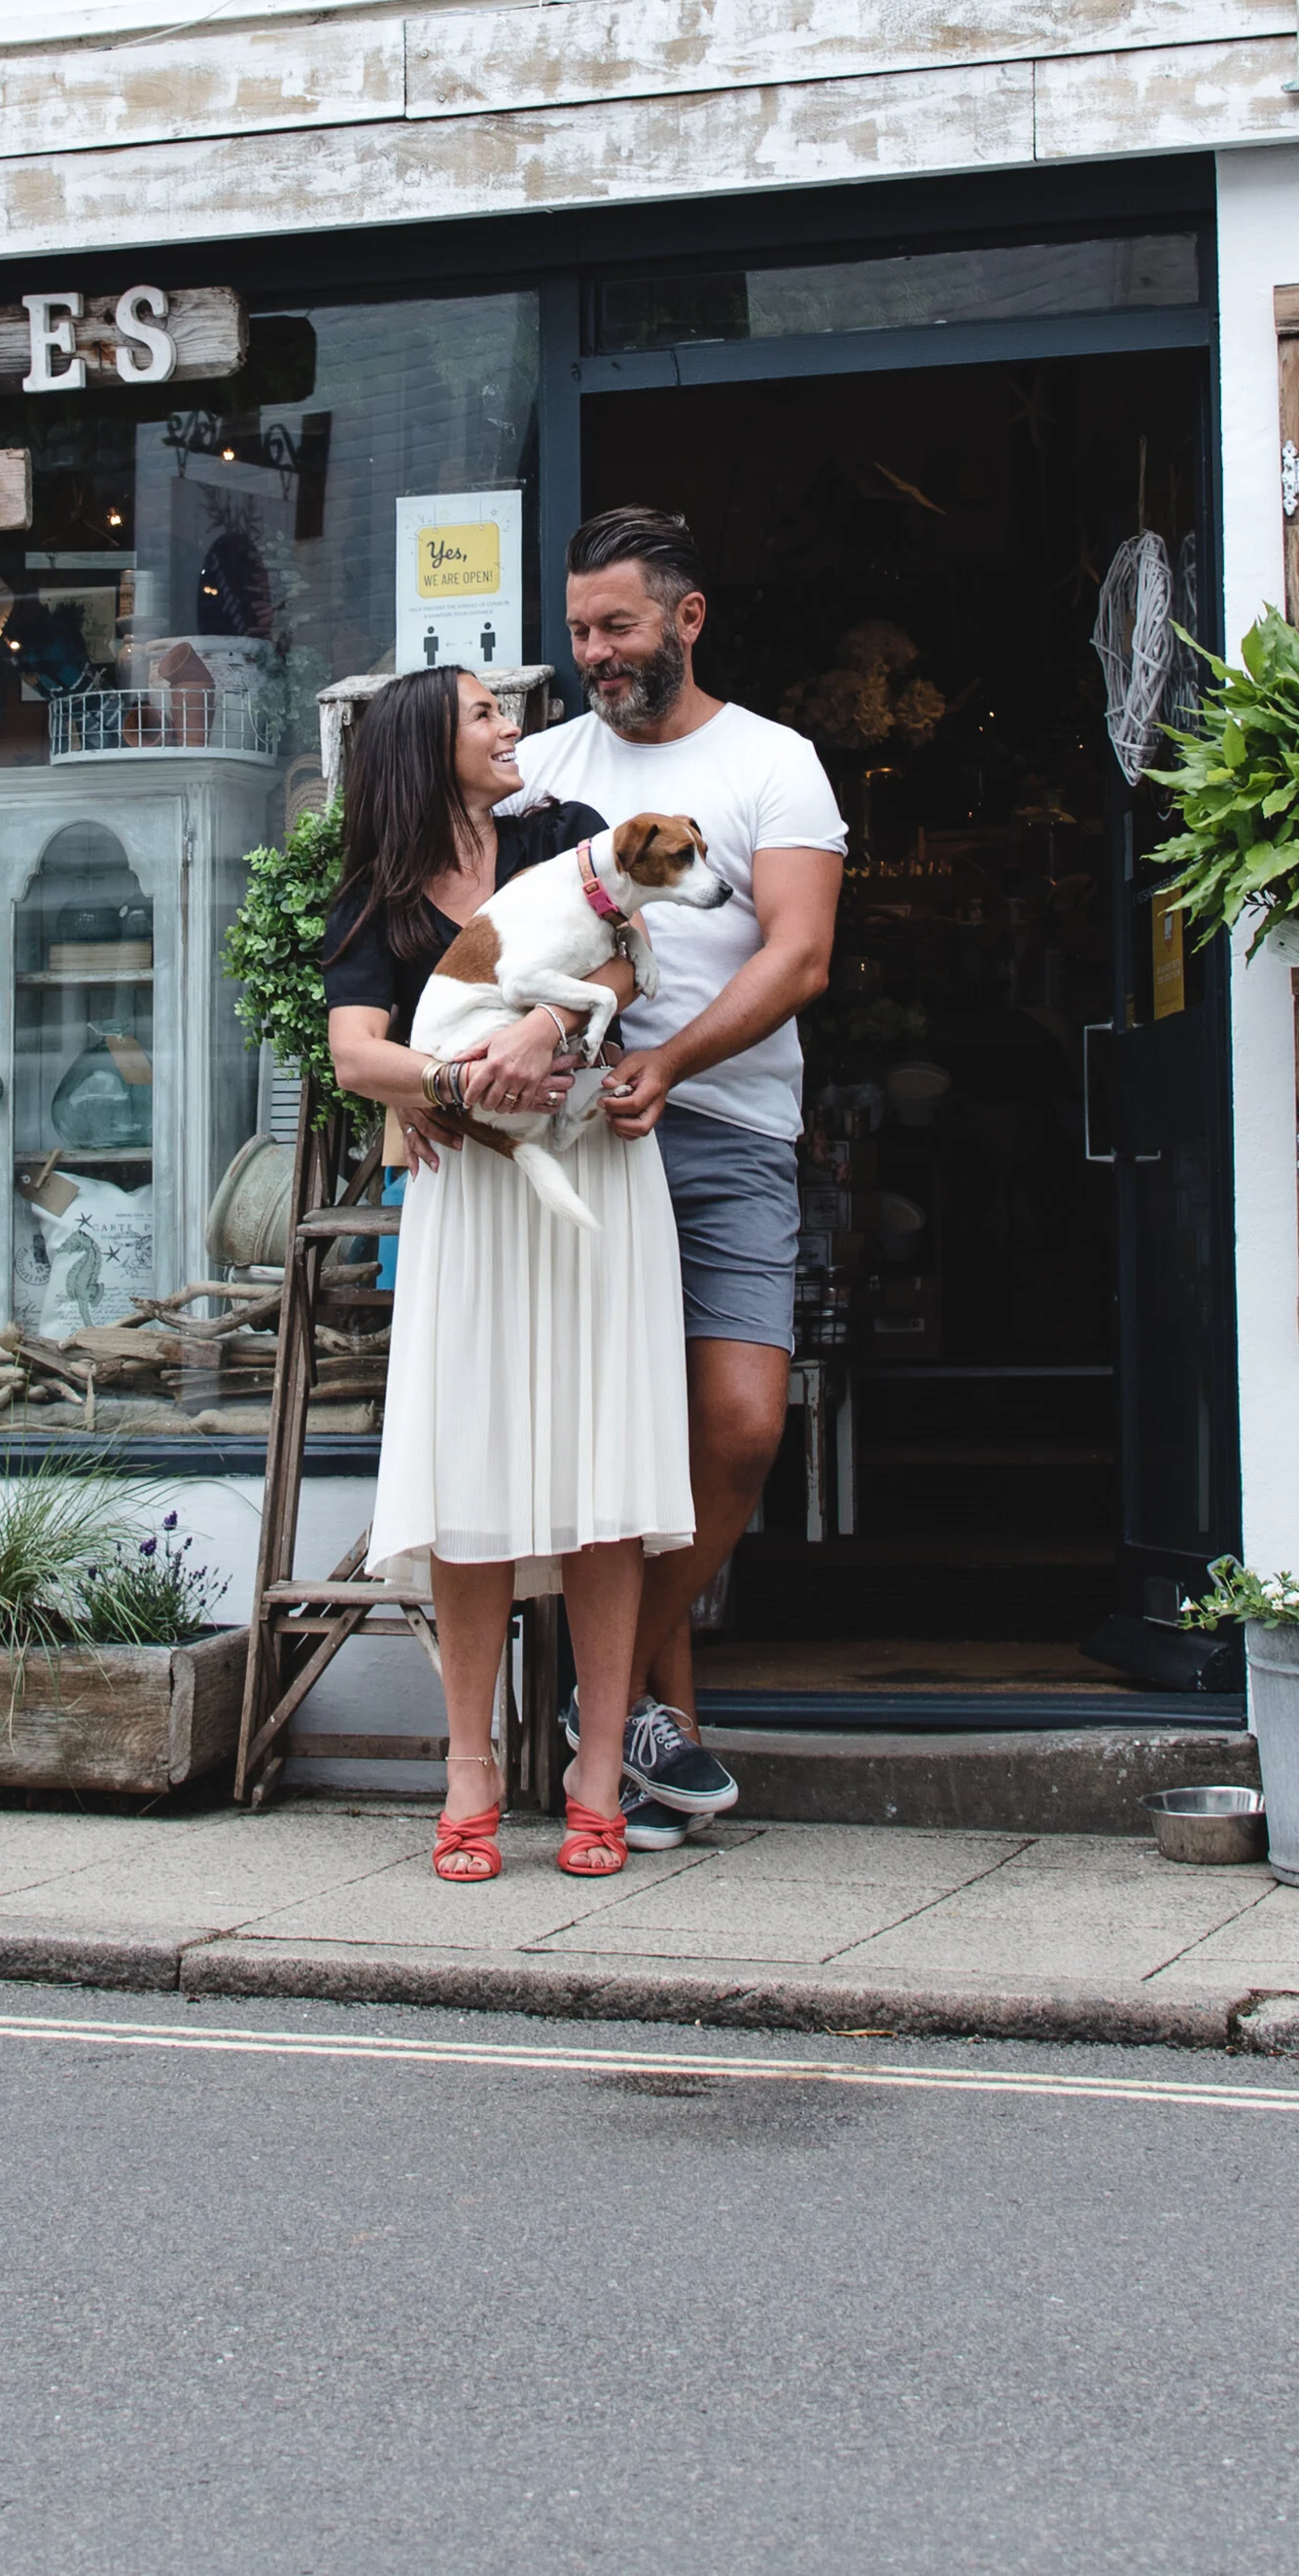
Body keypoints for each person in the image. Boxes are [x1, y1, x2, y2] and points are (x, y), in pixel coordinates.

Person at [323, 663, 694, 1883]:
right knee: (472, 1468)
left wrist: (544, 1026)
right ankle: (469, 1763)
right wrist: (449, 1085)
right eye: (485, 713)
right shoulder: (373, 891)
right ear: (426, 747)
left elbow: (630, 963)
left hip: (590, 1173)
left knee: (600, 1462)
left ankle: (595, 1767)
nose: (512, 727)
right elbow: (352, 1055)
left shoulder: (567, 835)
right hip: (471, 1197)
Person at [510, 503, 846, 1844]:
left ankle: (615, 1705)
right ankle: (656, 1734)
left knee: (740, 1424)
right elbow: (467, 922)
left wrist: (679, 1061)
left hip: (727, 1133)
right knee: (617, 1444)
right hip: (579, 1140)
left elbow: (797, 954)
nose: (596, 651)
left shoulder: (777, 763)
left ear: (686, 619)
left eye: (619, 625)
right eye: (582, 628)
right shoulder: (536, 768)